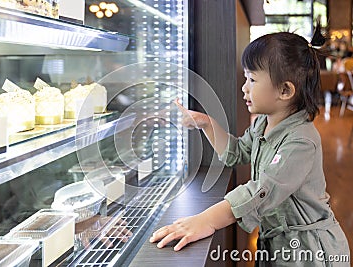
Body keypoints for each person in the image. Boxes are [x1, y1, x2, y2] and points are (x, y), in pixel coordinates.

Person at [149, 31, 350, 266]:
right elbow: (238, 152)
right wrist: (206, 123)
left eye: (252, 80)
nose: (244, 88)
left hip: (309, 252)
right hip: (279, 245)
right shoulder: (264, 124)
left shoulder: (300, 141)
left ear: (285, 91)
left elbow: (261, 191)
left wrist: (207, 220)